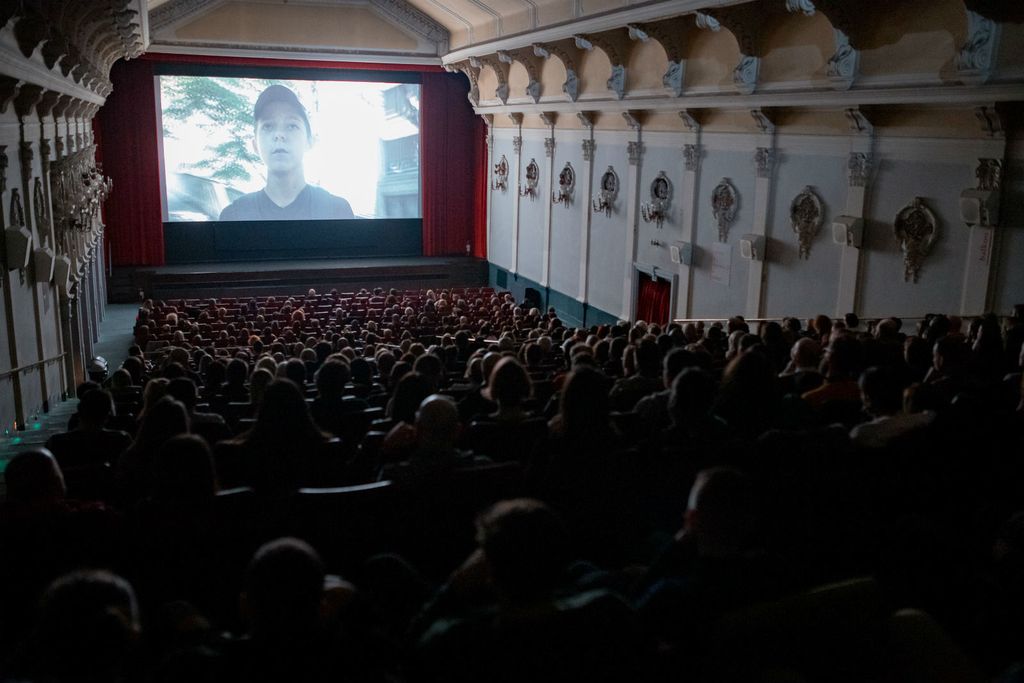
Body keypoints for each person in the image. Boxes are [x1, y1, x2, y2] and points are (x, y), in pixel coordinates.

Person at [219, 84, 354, 221]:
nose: (279, 135)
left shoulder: (336, 210)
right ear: (255, 145)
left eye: (291, 126)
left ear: (309, 141)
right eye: (268, 126)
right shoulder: (234, 215)